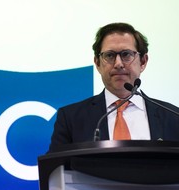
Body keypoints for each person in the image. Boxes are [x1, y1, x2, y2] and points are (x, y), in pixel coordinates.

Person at [48, 22, 179, 152]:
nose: (118, 64)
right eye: (109, 55)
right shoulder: (71, 118)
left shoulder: (173, 117)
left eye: (126, 54)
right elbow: (55, 169)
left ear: (143, 62)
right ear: (98, 63)